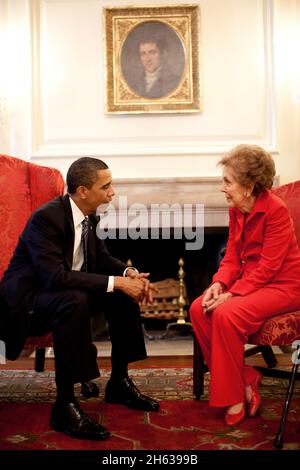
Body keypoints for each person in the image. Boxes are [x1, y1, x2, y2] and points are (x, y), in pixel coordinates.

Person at [0, 157, 159, 441]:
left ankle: (119, 382)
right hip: (28, 302)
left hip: (64, 294)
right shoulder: (46, 218)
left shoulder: (88, 216)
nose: (112, 193)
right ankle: (65, 404)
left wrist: (128, 273)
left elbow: (102, 258)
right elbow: (54, 278)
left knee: (120, 296)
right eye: (106, 186)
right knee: (75, 299)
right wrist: (117, 282)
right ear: (83, 190)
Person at [189, 144, 300, 426]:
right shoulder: (238, 207)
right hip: (250, 281)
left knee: (227, 313)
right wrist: (218, 284)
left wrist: (233, 295)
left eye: (227, 182)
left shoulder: (276, 210)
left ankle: (235, 397)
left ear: (249, 186)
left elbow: (269, 267)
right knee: (199, 308)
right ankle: (245, 378)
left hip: (284, 285)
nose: (222, 188)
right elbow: (232, 255)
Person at [129, 35, 182, 99]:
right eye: (143, 54)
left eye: (152, 52)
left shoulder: (176, 82)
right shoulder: (133, 85)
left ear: (163, 54)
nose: (147, 59)